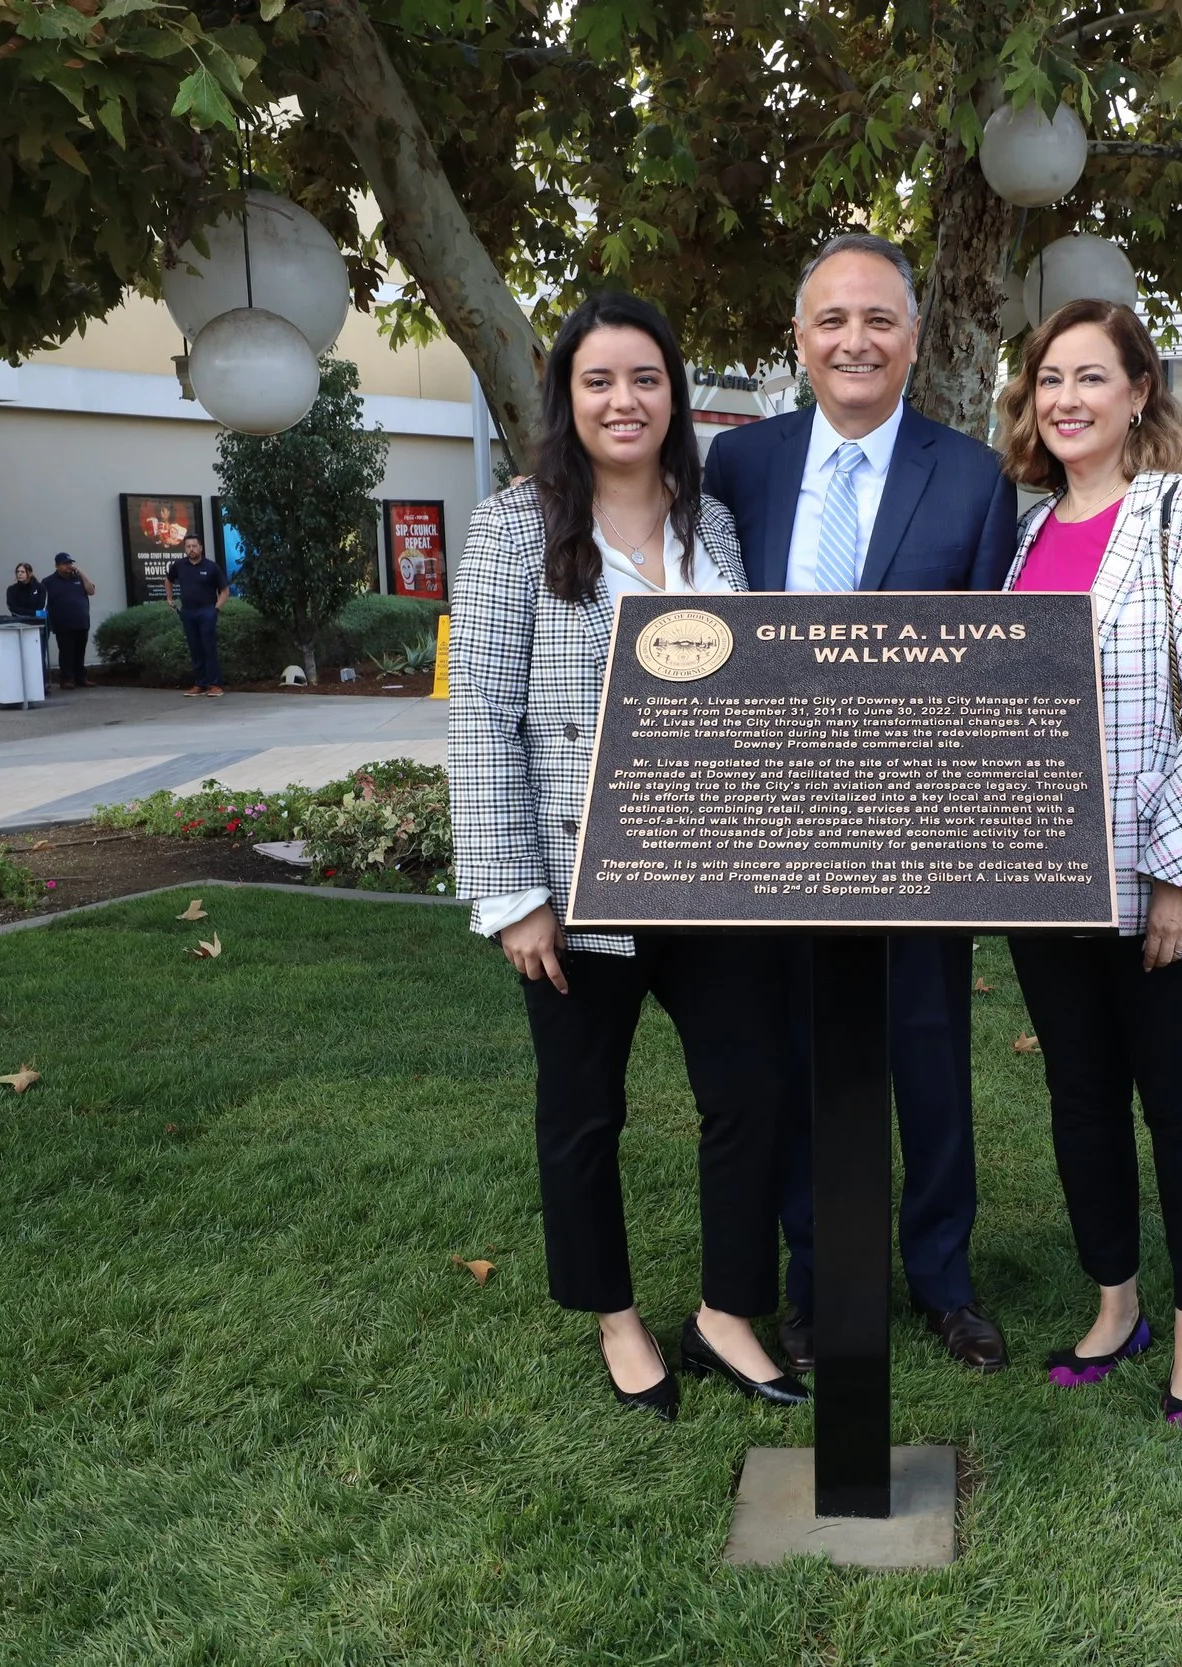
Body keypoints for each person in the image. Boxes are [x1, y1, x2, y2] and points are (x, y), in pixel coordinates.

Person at [449, 291, 806, 1420]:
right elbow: (481, 718)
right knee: (583, 1107)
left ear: (675, 394)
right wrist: (513, 896)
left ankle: (726, 1313)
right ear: (566, 395)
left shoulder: (718, 527)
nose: (623, 399)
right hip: (574, 880)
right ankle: (615, 1318)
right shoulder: (515, 525)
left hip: (714, 874)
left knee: (751, 1094)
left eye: (644, 378)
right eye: (598, 379)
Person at [702, 232, 1019, 1375]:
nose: (854, 339)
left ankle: (942, 1276)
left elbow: (994, 667)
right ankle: (815, 1278)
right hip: (777, 833)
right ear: (798, 339)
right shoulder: (735, 471)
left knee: (927, 1059)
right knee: (792, 1059)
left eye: (878, 319)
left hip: (923, 832)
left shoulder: (974, 477)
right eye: (831, 319)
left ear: (916, 340)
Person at [996, 298, 1182, 1425]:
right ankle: (1116, 1303)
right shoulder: (1022, 534)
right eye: (1048, 379)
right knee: (1078, 1101)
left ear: (1138, 393)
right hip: (1045, 872)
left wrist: (1175, 873)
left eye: (1090, 378)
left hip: (1164, 871)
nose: (1065, 398)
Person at [164, 533, 227, 697]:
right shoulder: (179, 565)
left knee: (208, 647)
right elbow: (169, 580)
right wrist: (169, 598)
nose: (191, 549)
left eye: (194, 546)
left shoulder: (211, 567)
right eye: (188, 546)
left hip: (207, 611)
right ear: (185, 548)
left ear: (200, 548)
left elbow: (224, 590)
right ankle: (200, 684)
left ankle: (215, 684)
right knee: (195, 648)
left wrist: (216, 609)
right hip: (188, 612)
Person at [43, 552, 96, 689]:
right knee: (66, 652)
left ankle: (81, 677)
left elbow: (91, 591)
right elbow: (44, 602)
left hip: (81, 621)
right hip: (63, 622)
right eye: (65, 564)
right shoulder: (49, 582)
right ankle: (66, 678)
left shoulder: (78, 578)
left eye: (70, 563)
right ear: (57, 566)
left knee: (80, 651)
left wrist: (82, 573)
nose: (69, 566)